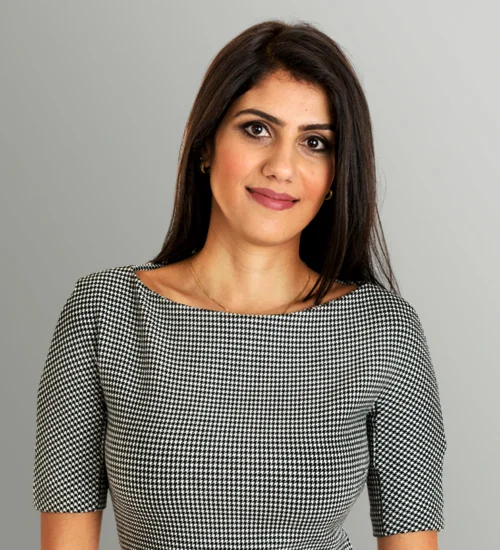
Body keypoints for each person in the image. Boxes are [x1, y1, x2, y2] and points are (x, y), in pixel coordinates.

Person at [32, 19, 447, 550]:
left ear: (335, 176)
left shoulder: (383, 332)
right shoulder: (104, 312)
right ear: (205, 144)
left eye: (314, 142)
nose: (282, 167)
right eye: (257, 130)